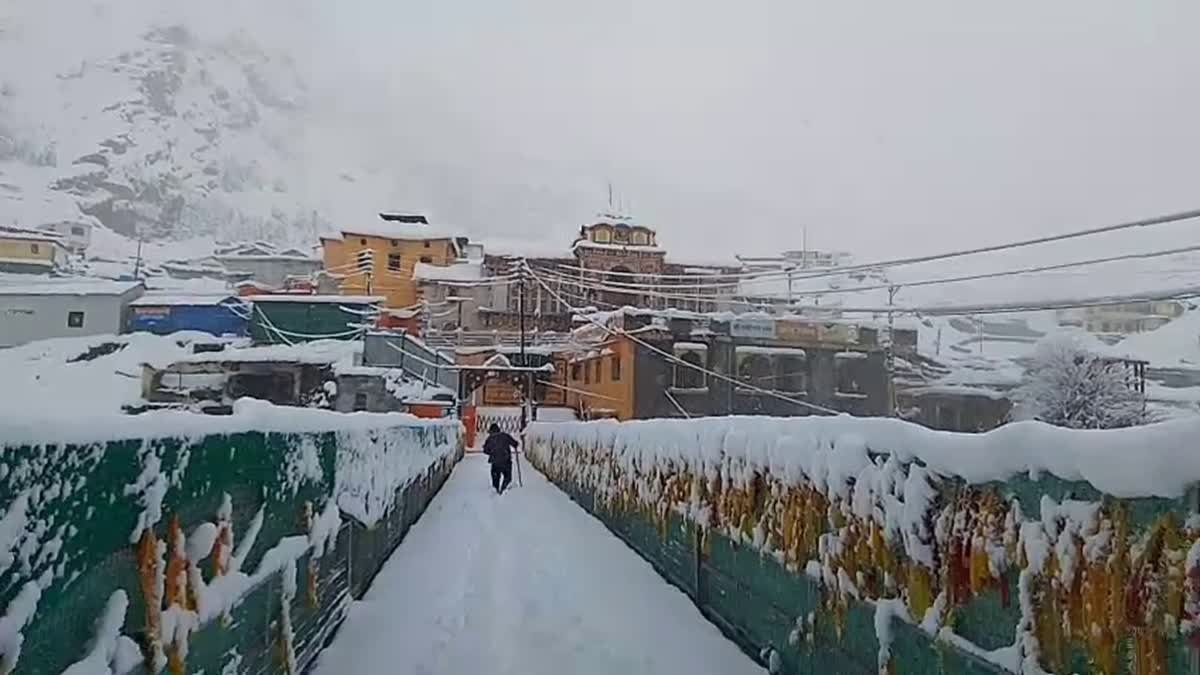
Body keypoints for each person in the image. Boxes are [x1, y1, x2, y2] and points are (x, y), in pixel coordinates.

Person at [482, 422, 518, 494]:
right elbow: (515, 443)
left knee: (495, 478)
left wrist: (492, 452)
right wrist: (515, 445)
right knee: (507, 477)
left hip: (495, 463)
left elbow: (485, 450)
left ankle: (496, 491)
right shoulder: (505, 436)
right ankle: (503, 489)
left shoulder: (490, 439)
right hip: (506, 461)